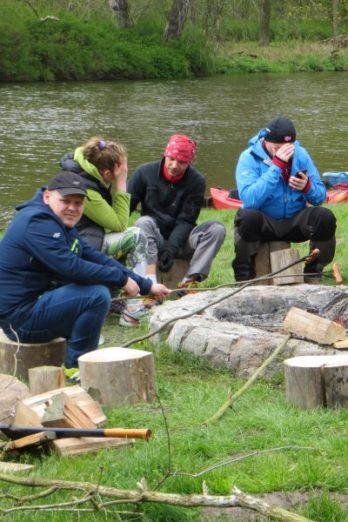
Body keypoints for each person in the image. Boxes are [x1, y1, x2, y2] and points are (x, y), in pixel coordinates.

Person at [0, 171, 170, 382]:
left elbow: (95, 257)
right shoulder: (37, 223)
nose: (72, 208)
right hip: (20, 320)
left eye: (78, 203)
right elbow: (71, 268)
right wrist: (121, 280)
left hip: (37, 303)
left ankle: (78, 353)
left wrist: (146, 285)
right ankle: (76, 367)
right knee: (96, 295)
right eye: (66, 201)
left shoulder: (57, 221)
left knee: (98, 287)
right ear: (47, 197)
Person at [59, 136, 152, 327]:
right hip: (77, 249)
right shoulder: (87, 189)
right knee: (135, 237)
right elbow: (120, 223)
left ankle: (114, 299)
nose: (125, 171)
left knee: (123, 239)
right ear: (107, 172)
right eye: (123, 168)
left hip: (82, 239)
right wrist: (121, 183)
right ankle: (133, 309)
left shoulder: (84, 171)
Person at [233, 116, 336, 283]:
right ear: (266, 141)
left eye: (288, 148)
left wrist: (307, 187)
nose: (284, 152)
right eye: (277, 147)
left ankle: (313, 275)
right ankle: (244, 278)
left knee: (324, 216)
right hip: (264, 221)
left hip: (294, 220)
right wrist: (277, 166)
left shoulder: (301, 154)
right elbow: (250, 200)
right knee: (246, 217)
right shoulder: (248, 157)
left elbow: (320, 197)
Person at [128, 134, 226, 289]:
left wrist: (171, 249)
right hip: (152, 238)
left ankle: (189, 282)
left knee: (217, 229)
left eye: (181, 162)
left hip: (183, 240)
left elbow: (186, 220)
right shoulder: (144, 173)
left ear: (189, 163)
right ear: (165, 155)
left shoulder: (197, 181)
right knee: (143, 222)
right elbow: (126, 208)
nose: (174, 165)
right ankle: (150, 283)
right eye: (171, 159)